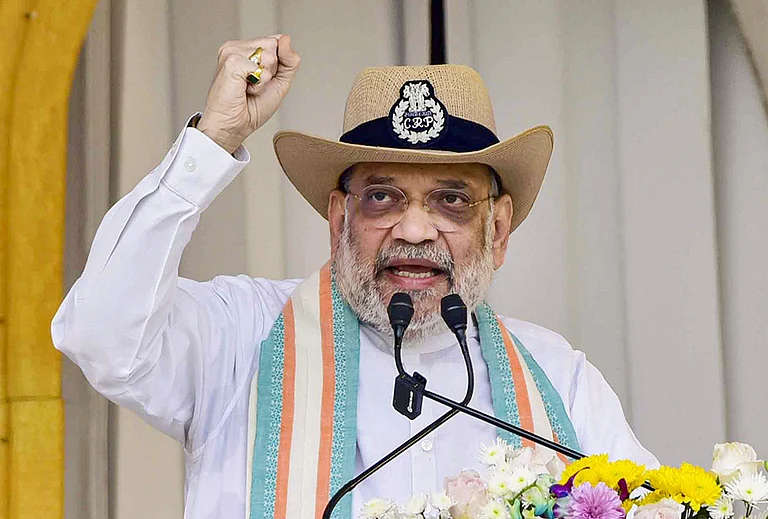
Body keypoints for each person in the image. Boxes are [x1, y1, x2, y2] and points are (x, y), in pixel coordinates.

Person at [52, 34, 657, 519]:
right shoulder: (242, 337)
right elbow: (99, 333)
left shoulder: (560, 378)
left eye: (451, 201)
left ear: (497, 230)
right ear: (339, 216)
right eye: (383, 198)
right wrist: (212, 142)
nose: (415, 231)